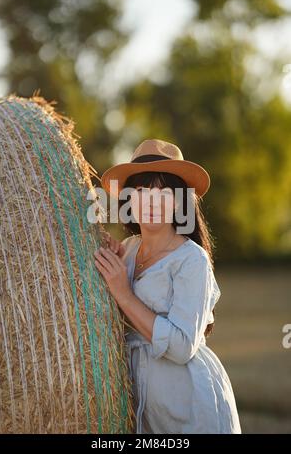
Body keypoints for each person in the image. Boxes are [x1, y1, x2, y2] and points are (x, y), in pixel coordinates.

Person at [94, 138, 242, 434]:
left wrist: (124, 293)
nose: (151, 201)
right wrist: (99, 252)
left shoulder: (192, 261)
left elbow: (181, 346)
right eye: (141, 191)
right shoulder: (129, 250)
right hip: (143, 409)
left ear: (179, 201)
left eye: (163, 192)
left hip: (190, 408)